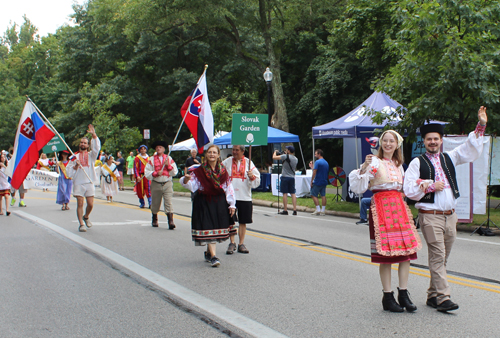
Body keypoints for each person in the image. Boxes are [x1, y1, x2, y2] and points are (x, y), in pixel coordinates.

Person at [404, 107, 487, 313]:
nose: (433, 142)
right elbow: (409, 189)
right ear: (424, 142)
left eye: (436, 139)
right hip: (430, 217)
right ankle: (443, 298)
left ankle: (432, 295)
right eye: (429, 139)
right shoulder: (417, 162)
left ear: (441, 140)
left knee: (442, 258)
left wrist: (481, 125)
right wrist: (430, 185)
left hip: (450, 217)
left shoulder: (449, 157)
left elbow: (470, 149)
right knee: (438, 256)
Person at [349, 130, 422, 313]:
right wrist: (364, 168)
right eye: (385, 141)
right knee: (386, 256)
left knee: (406, 253)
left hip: (398, 207)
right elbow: (359, 185)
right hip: (381, 207)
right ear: (381, 144)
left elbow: (406, 187)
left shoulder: (399, 165)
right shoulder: (374, 161)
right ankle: (387, 296)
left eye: (392, 141)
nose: (388, 144)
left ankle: (403, 294)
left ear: (397, 145)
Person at [180, 145, 236, 267]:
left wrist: (232, 204)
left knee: (214, 227)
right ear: (206, 155)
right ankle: (214, 257)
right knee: (208, 226)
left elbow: (228, 187)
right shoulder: (199, 170)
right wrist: (185, 180)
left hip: (219, 201)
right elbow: (192, 185)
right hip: (204, 201)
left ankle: (208, 252)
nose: (212, 154)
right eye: (209, 152)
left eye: (214, 152)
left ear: (218, 155)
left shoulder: (222, 170)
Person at [222, 145, 260, 254]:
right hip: (231, 197)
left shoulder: (248, 163)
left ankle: (241, 244)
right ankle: (232, 242)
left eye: (236, 150)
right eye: (233, 150)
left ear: (243, 151)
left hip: (244, 196)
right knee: (231, 220)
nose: (234, 152)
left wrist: (252, 176)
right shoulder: (227, 162)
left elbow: (257, 180)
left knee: (243, 221)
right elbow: (219, 173)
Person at [66, 124, 101, 232]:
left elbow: (97, 148)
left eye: (85, 143)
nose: (83, 144)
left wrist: (94, 135)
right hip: (78, 183)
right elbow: (69, 172)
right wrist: (75, 166)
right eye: (81, 142)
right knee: (80, 203)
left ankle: (86, 216)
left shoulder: (91, 155)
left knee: (90, 204)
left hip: (89, 181)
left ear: (88, 145)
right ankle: (81, 223)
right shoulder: (74, 157)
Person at [145, 140, 178, 229]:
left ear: (163, 149)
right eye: (157, 147)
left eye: (160, 147)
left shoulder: (169, 159)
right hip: (156, 183)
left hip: (167, 182)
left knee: (168, 201)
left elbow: (174, 172)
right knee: (155, 201)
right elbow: (147, 172)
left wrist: (168, 166)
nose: (158, 149)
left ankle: (170, 220)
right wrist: (155, 173)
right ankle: (154, 217)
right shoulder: (151, 160)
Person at [272, 146, 298, 215]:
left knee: (285, 193)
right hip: (292, 177)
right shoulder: (296, 159)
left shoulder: (285, 156)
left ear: (288, 151)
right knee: (293, 193)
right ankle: (295, 209)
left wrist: (275, 152)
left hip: (285, 177)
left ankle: (285, 209)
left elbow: (274, 157)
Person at [310, 149, 329, 216]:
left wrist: (312, 180)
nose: (315, 155)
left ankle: (318, 209)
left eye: (316, 154)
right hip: (324, 181)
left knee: (313, 194)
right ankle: (323, 210)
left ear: (319, 154)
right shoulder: (326, 162)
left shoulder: (317, 162)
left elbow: (315, 171)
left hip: (318, 181)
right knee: (323, 195)